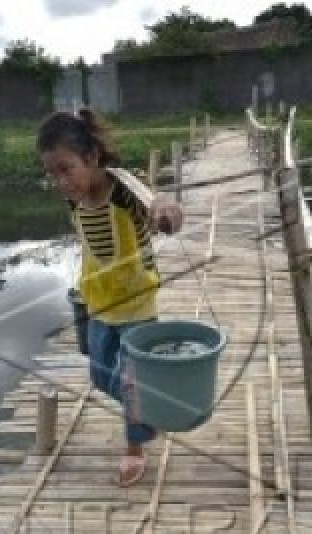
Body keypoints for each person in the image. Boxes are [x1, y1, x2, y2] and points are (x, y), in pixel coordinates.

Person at [37, 109, 184, 487]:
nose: (61, 181)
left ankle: (135, 448)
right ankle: (149, 404)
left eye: (66, 169)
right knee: (102, 377)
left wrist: (167, 212)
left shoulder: (124, 188)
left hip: (136, 302)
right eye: (52, 173)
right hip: (98, 300)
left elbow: (161, 210)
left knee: (132, 382)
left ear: (92, 158)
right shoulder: (75, 197)